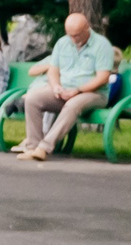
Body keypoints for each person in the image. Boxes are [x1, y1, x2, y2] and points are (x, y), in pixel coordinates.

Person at [15, 12, 117, 161]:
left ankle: (44, 148)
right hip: (64, 89)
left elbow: (103, 78)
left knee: (72, 104)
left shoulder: (101, 45)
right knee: (32, 98)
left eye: (76, 35)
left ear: (86, 28)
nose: (73, 39)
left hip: (94, 93)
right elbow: (53, 70)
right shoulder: (63, 43)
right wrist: (56, 86)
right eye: (70, 35)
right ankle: (32, 147)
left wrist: (78, 90)